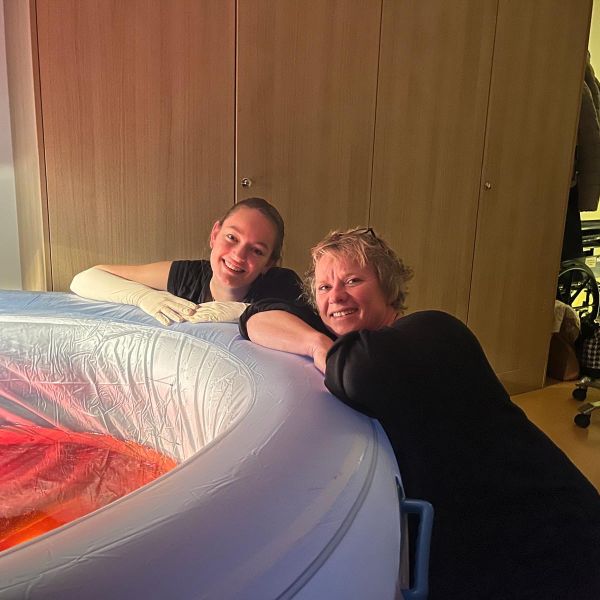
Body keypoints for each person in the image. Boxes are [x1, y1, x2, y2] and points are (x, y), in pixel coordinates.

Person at [239, 227, 600, 600]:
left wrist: (319, 347)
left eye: (353, 280)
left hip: (553, 539)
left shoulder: (434, 331)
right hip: (491, 549)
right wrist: (316, 340)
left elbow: (360, 372)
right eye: (324, 288)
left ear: (388, 287)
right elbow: (256, 316)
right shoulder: (357, 341)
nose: (337, 296)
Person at [70, 197, 304, 325]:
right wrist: (144, 297)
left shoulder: (283, 286)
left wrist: (243, 312)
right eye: (232, 237)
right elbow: (85, 279)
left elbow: (307, 325)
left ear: (269, 263)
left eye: (257, 251)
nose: (238, 255)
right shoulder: (188, 275)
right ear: (215, 234)